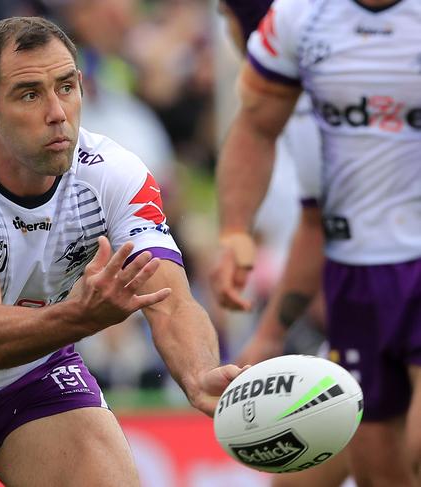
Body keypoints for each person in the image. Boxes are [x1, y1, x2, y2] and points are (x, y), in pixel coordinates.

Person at [0, 16, 244, 486]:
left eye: (66, 87)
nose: (57, 111)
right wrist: (82, 317)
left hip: (34, 374)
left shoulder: (115, 174)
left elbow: (170, 299)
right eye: (29, 94)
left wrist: (199, 373)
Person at [212, 0, 421, 485]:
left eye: (227, 17)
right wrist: (235, 230)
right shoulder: (301, 20)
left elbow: (313, 226)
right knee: (376, 471)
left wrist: (268, 334)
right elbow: (255, 125)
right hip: (357, 278)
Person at [216, 2, 350, 487]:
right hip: (376, 305)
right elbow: (319, 225)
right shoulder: (300, 105)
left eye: (224, 12)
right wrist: (271, 333)